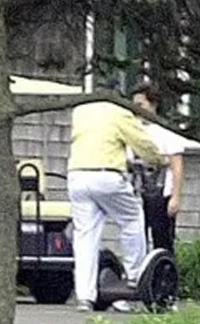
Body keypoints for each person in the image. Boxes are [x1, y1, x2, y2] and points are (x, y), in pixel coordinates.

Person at [67, 95, 165, 312]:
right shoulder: (119, 112)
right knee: (132, 219)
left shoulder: (81, 111)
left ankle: (84, 295)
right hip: (106, 175)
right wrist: (158, 159)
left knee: (85, 237)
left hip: (77, 175)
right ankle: (134, 276)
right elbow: (140, 141)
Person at [131, 82, 188, 255]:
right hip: (137, 193)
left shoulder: (166, 131)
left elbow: (177, 166)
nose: (137, 109)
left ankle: (164, 274)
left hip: (161, 194)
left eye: (141, 105)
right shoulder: (132, 129)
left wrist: (176, 197)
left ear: (153, 104)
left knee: (162, 239)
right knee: (137, 236)